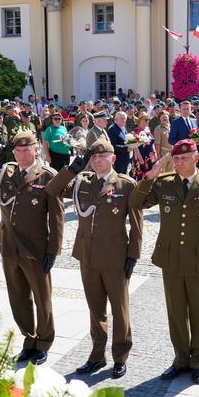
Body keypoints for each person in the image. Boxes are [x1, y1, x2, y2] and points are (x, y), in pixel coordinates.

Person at [129, 139, 199, 385]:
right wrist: (149, 177)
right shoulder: (164, 184)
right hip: (171, 258)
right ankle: (180, 359)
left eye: (185, 157)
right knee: (176, 312)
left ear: (196, 157)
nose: (180, 162)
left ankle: (198, 362)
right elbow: (134, 203)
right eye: (177, 158)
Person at [45, 140, 143, 379]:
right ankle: (97, 355)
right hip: (87, 255)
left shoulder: (126, 184)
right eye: (93, 157)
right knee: (95, 308)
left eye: (102, 156)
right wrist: (71, 169)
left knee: (120, 310)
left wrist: (134, 254)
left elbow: (137, 224)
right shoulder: (81, 182)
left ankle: (120, 357)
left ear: (112, 158)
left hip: (115, 257)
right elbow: (51, 189)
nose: (96, 160)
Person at [0, 132, 65, 366]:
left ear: (36, 150)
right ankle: (29, 339)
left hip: (35, 248)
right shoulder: (5, 174)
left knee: (42, 299)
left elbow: (57, 219)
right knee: (18, 298)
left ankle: (43, 343)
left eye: (26, 150)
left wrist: (53, 250)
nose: (22, 155)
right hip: (9, 246)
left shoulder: (48, 177)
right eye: (18, 151)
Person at [132, 112, 157, 181]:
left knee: (151, 176)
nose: (147, 121)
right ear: (140, 120)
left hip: (150, 157)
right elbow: (134, 146)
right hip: (143, 157)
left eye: (148, 119)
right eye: (145, 120)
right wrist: (140, 159)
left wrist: (155, 154)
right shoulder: (137, 131)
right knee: (143, 178)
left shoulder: (148, 129)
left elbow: (152, 142)